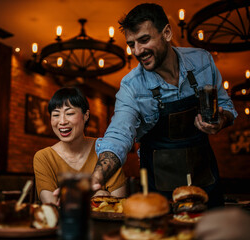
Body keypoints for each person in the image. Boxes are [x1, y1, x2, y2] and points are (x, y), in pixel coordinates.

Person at [91, 3, 237, 208]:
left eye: (144, 40)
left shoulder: (202, 61)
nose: (137, 51)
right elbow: (119, 134)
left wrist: (221, 121)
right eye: (131, 44)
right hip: (157, 190)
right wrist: (97, 175)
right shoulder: (131, 86)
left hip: (205, 182)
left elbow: (225, 105)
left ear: (167, 33)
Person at [33, 87, 127, 205]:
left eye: (70, 113)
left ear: (86, 115)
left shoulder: (106, 151)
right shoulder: (44, 157)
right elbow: (52, 204)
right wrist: (98, 196)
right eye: (56, 115)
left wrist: (69, 198)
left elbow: (118, 205)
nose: (62, 121)